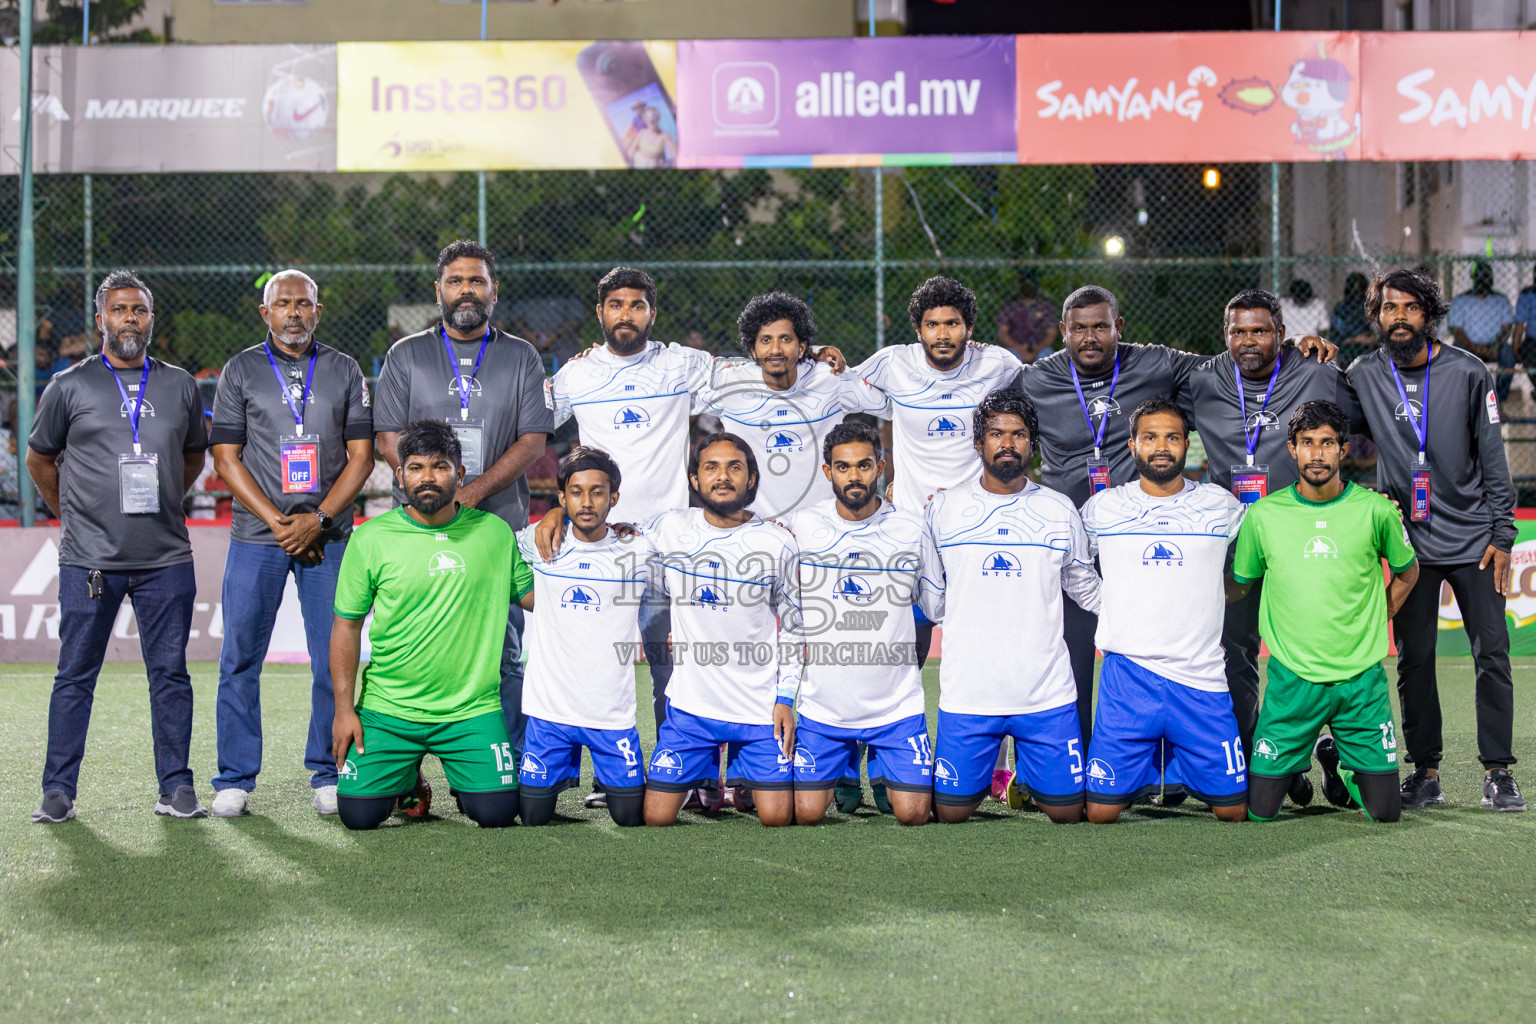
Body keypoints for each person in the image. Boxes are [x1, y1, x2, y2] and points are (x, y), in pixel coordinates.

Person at [536, 269, 841, 811]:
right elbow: (531, 424)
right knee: (599, 658)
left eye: (636, 305)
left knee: (672, 663)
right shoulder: (576, 375)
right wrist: (559, 507)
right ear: (599, 312)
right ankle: (609, 772)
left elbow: (754, 365)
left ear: (652, 313)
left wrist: (812, 351)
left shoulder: (685, 364)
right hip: (602, 541)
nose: (625, 314)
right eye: (615, 304)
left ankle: (692, 773)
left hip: (672, 542)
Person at [1016, 285, 1333, 759]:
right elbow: (990, 424)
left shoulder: (1156, 363)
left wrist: (1289, 347)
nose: (1090, 337)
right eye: (1078, 328)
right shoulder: (1034, 379)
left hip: (1141, 540)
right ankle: (1071, 763)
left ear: (1118, 327)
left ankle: (1198, 760)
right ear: (1063, 331)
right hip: (1073, 545)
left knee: (1171, 655)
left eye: (1101, 326)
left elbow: (1236, 358)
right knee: (1069, 658)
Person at [26, 270, 210, 823]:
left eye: (140, 311)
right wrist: (72, 515)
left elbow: (195, 455)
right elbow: (39, 459)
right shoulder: (68, 385)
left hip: (166, 560)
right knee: (74, 676)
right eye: (120, 310)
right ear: (100, 318)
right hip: (91, 561)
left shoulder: (179, 384)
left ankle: (176, 786)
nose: (130, 319)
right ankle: (58, 791)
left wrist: (168, 496)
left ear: (151, 320)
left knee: (170, 675)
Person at [1347, 268, 1524, 812]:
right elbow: (1332, 435)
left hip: (1475, 542)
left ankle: (1498, 772)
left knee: (1491, 653)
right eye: (1388, 308)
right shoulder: (1362, 373)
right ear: (1375, 317)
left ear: (1429, 313)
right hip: (1409, 546)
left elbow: (1495, 460)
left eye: (1410, 308)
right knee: (1415, 659)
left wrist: (1503, 532)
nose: (1398, 317)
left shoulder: (1470, 372)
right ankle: (1426, 771)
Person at [373, 240, 553, 769]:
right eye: (456, 281)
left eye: (476, 281)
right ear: (439, 291)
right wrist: (433, 493)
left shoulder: (521, 355)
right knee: (411, 652)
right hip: (421, 528)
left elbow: (533, 441)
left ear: (494, 291)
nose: (466, 290)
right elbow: (388, 438)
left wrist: (470, 493)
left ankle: (516, 762)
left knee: (506, 655)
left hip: (495, 527)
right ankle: (407, 775)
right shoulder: (406, 354)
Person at [843, 276, 1022, 806]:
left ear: (970, 328)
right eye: (932, 325)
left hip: (974, 530)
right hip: (909, 532)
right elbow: (833, 387)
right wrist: (823, 358)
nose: (942, 334)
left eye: (952, 324)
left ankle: (996, 771)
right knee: (896, 650)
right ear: (917, 329)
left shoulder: (1000, 366)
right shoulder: (891, 364)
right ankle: (870, 758)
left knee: (987, 647)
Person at [206, 270, 375, 818]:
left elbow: (362, 457)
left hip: (327, 537)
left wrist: (318, 519)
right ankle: (234, 778)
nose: (295, 313)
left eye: (304, 304)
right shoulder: (240, 370)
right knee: (239, 658)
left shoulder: (345, 369)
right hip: (259, 535)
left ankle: (327, 771)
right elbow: (226, 459)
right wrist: (280, 520)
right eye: (284, 304)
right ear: (266, 313)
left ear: (318, 312)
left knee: (334, 658)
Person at [1179, 288, 1359, 802]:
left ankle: (1326, 754)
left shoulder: (1316, 371)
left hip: (1305, 547)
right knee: (1234, 653)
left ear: (1281, 333)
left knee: (1312, 656)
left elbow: (1361, 428)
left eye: (1260, 330)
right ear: (1225, 335)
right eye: (1238, 331)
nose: (1249, 341)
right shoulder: (1203, 379)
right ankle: (1257, 756)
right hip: (1236, 547)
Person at [329, 420, 528, 830]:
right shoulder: (371, 539)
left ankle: (462, 779)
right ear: (399, 476)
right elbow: (345, 627)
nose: (427, 478)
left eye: (440, 467)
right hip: (389, 709)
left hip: (471, 710)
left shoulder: (493, 533)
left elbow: (534, 597)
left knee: (496, 814)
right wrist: (344, 710)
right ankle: (408, 777)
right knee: (358, 817)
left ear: (460, 474)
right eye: (416, 467)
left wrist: (587, 536)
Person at [917, 388, 1099, 824]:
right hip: (969, 694)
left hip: (1046, 694)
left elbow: (1084, 587)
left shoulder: (1058, 509)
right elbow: (931, 595)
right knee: (949, 812)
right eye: (996, 433)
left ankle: (1027, 772)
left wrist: (1140, 611)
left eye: (1018, 434)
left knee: (1069, 813)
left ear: (1031, 444)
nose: (1007, 443)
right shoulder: (943, 508)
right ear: (978, 443)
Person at [1233, 401, 1418, 823]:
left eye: (1327, 444)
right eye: (1307, 444)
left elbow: (1408, 573)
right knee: (1259, 813)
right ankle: (1294, 765)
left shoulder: (1377, 511)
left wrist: (1376, 617)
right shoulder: (1263, 515)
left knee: (1386, 814)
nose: (1317, 454)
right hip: (1292, 681)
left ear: (1343, 450)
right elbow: (1240, 583)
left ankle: (1338, 766)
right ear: (1292, 449)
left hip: (1361, 681)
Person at [1080, 397, 1248, 823]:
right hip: (1128, 676)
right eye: (1150, 437)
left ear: (1186, 444)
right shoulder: (1104, 507)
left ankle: (1179, 771)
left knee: (1233, 811)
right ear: (1133, 443)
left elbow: (1261, 552)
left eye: (1172, 437)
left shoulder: (1220, 505)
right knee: (1100, 812)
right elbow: (1069, 564)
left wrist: (1221, 592)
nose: (1161, 446)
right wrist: (1108, 604)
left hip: (1201, 677)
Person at [642, 433, 803, 827]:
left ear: (751, 479)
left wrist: (785, 698)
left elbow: (797, 628)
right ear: (694, 480)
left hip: (758, 709)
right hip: (691, 709)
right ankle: (709, 774)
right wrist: (558, 515)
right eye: (710, 467)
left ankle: (735, 777)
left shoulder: (777, 542)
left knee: (777, 819)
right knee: (656, 818)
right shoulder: (668, 529)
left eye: (735, 467)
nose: (722, 476)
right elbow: (610, 538)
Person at [787, 421, 931, 827]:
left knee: (914, 814)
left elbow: (935, 596)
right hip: (824, 708)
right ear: (827, 471)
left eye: (865, 465)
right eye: (844, 467)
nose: (855, 476)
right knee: (805, 814)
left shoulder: (912, 527)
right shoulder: (802, 527)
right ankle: (847, 767)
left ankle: (884, 765)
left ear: (881, 467)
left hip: (896, 705)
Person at [516, 446, 651, 828]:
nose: (586, 501)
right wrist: (551, 517)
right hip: (549, 712)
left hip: (611, 713)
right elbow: (493, 547)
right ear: (562, 498)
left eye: (597, 492)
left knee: (629, 817)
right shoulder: (538, 541)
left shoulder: (639, 548)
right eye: (575, 492)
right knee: (532, 818)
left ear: (614, 499)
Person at [702, 292, 852, 519]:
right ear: (752, 350)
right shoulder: (728, 383)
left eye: (785, 339)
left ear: (801, 348)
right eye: (765, 340)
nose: (775, 349)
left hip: (825, 528)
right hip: (757, 530)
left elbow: (892, 403)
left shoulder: (831, 378)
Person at [1447, 260, 1517, 402]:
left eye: (1486, 276)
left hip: (1494, 347)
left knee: (1508, 354)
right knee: (1454, 353)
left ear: (1491, 279)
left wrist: (1494, 346)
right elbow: (1457, 330)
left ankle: (1499, 402)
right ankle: (1463, 401)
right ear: (1473, 278)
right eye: (1479, 276)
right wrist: (1473, 347)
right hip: (1467, 346)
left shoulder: (1501, 300)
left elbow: (1506, 328)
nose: (1482, 279)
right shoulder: (1460, 301)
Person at [996, 271, 1058, 364]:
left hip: (1040, 349)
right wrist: (1020, 349)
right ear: (1019, 285)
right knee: (1006, 360)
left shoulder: (1045, 305)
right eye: (1025, 282)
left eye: (1031, 282)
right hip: (1015, 348)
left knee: (1049, 357)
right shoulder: (1010, 305)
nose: (1028, 285)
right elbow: (1003, 332)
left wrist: (1036, 349)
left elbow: (1051, 333)